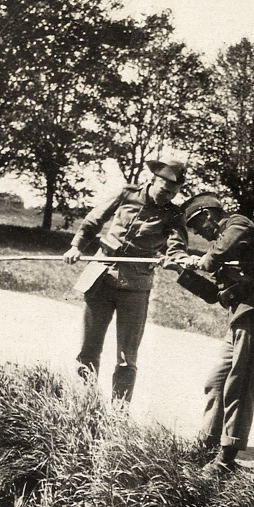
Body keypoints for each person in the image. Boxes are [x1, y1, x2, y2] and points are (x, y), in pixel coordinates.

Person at [182, 193, 254, 477]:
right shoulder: (220, 241)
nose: (199, 233)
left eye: (198, 226)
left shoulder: (238, 225)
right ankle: (208, 445)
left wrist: (199, 260)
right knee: (216, 382)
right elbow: (215, 295)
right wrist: (181, 269)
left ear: (208, 215)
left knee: (240, 384)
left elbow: (215, 258)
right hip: (240, 317)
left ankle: (226, 460)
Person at [63, 157, 191, 402]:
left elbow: (176, 246)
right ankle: (83, 403)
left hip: (135, 286)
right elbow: (94, 220)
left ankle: (118, 415)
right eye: (164, 190)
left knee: (126, 357)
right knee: (89, 348)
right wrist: (76, 246)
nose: (167, 197)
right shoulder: (126, 194)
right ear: (152, 180)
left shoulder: (174, 214)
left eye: (172, 194)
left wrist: (175, 258)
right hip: (100, 275)